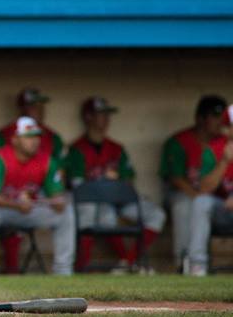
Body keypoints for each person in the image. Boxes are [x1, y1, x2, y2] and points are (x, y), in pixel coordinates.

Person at [65, 96, 166, 273]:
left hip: (120, 200)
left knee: (156, 214)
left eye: (107, 114)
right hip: (95, 203)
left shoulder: (116, 148)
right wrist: (104, 182)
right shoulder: (76, 149)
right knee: (103, 213)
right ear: (88, 117)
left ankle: (128, 262)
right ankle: (82, 267)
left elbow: (128, 180)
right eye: (100, 114)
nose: (106, 118)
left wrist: (113, 184)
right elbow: (79, 187)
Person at [0, 116, 74, 277]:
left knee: (65, 212)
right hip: (2, 209)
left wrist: (58, 200)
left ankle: (63, 271)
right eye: (28, 137)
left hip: (28, 209)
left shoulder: (47, 161)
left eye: (36, 136)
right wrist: (16, 204)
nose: (33, 141)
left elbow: (56, 194)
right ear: (15, 139)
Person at [160, 95, 231, 271]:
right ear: (200, 118)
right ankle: (185, 264)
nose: (221, 124)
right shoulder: (181, 142)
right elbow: (176, 178)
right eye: (215, 117)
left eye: (223, 119)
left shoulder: (220, 143)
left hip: (219, 201)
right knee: (189, 204)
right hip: (185, 194)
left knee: (201, 204)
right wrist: (197, 196)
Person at [186, 105, 233, 276]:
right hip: (224, 211)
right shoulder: (214, 150)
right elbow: (204, 188)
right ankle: (197, 265)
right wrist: (224, 162)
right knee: (201, 202)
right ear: (228, 130)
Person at [0, 86, 64, 159]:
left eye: (41, 106)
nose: (39, 110)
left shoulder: (53, 137)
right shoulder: (1, 137)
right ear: (21, 108)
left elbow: (61, 168)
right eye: (33, 106)